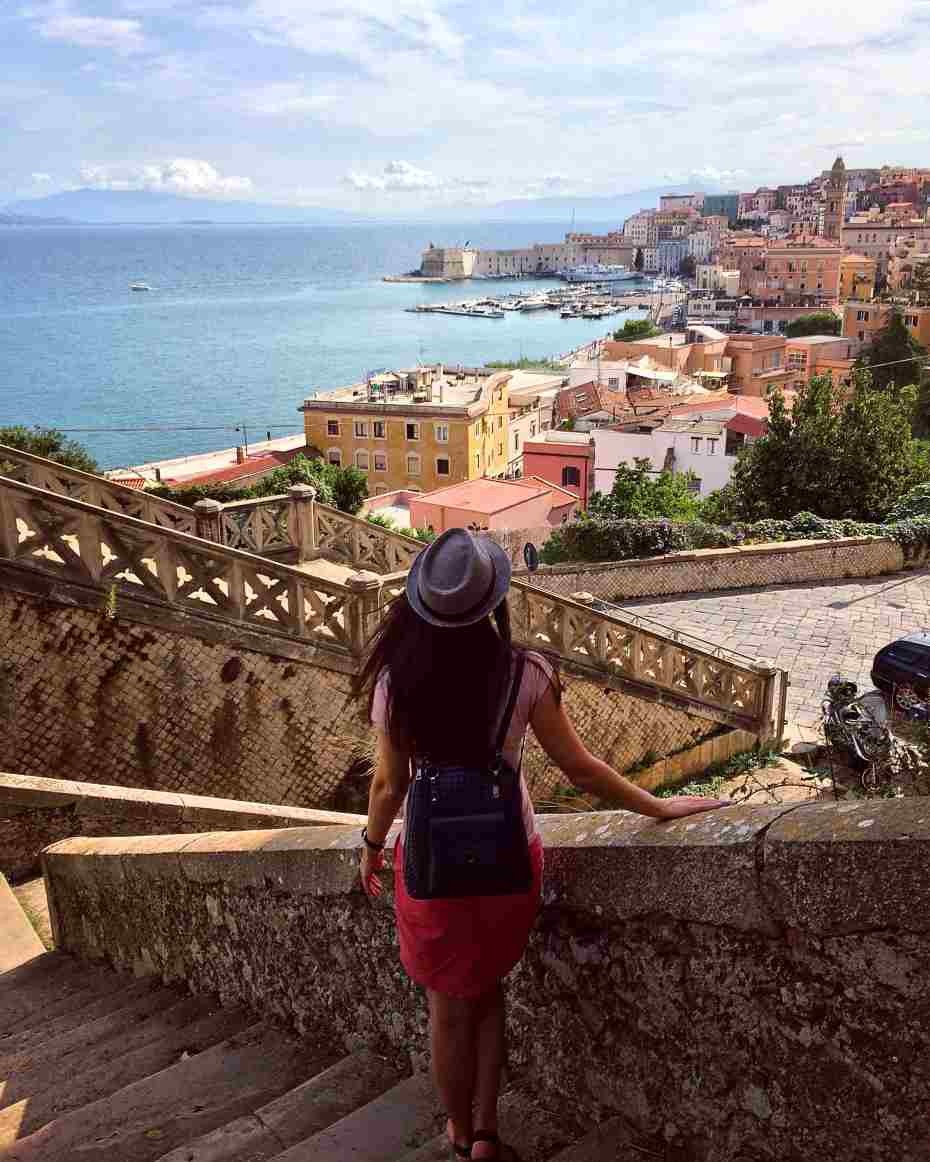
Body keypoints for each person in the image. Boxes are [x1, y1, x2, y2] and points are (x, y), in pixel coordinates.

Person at [355, 529, 725, 1161]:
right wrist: (659, 805)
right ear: (491, 602)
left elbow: (391, 785)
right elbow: (581, 769)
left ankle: (456, 1129)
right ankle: (488, 1131)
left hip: (432, 868)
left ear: (423, 603)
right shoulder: (526, 672)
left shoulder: (397, 681)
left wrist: (370, 846)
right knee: (492, 989)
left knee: (447, 1009)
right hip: (508, 861)